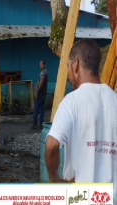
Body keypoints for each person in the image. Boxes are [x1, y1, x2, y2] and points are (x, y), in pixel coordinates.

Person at [45, 39, 116, 203]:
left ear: (75, 65)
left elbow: (51, 145)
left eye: (68, 67)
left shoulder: (72, 102)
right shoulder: (115, 100)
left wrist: (54, 181)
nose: (69, 73)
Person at [31, 60, 48, 129]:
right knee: (42, 110)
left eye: (41, 64)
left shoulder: (43, 73)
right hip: (44, 94)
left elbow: (41, 82)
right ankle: (41, 124)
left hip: (40, 93)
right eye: (40, 64)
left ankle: (35, 124)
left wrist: (37, 92)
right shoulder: (46, 72)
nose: (40, 65)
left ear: (44, 65)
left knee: (36, 108)